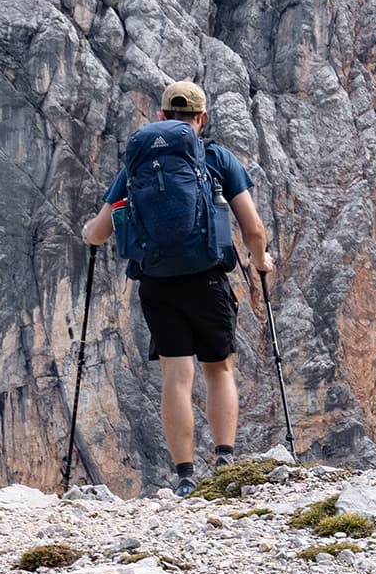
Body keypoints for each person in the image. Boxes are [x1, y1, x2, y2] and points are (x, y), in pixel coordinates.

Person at [80, 80, 275, 497]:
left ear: (161, 117)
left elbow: (98, 231)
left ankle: (184, 476)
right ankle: (223, 461)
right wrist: (260, 261)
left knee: (176, 375)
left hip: (157, 284)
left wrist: (86, 234)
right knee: (218, 369)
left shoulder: (136, 165)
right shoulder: (219, 159)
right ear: (201, 119)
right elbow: (253, 228)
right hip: (207, 280)